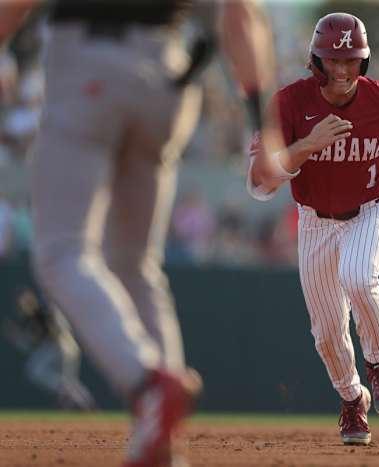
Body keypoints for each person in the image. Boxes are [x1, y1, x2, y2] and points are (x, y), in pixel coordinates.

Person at [0, 1, 285, 466]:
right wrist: (262, 127)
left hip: (89, 60)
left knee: (61, 251)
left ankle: (149, 385)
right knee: (134, 264)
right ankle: (165, 445)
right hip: (168, 76)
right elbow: (240, 14)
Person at [247, 12, 379, 445]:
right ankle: (351, 400)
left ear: (364, 60)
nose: (342, 70)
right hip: (315, 222)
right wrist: (307, 144)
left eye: (351, 60)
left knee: (358, 276)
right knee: (326, 334)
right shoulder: (288, 103)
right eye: (333, 60)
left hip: (374, 207)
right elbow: (258, 178)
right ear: (315, 61)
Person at [3, 285, 95, 411]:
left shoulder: (44, 310)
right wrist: (16, 336)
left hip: (61, 345)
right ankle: (86, 404)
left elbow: (59, 326)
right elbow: (29, 344)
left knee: (36, 370)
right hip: (63, 348)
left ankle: (71, 397)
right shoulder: (32, 318)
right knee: (68, 381)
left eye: (25, 299)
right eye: (21, 302)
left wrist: (55, 328)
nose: (23, 304)